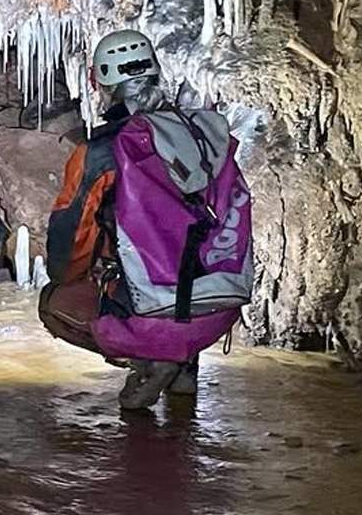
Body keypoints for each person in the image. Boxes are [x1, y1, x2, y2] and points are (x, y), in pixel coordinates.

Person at [40, 29, 250, 411]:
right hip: (220, 307)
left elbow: (68, 247)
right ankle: (185, 367)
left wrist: (85, 274)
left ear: (98, 82)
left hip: (155, 315)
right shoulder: (201, 135)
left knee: (55, 303)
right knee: (182, 260)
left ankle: (151, 361)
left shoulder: (103, 152)